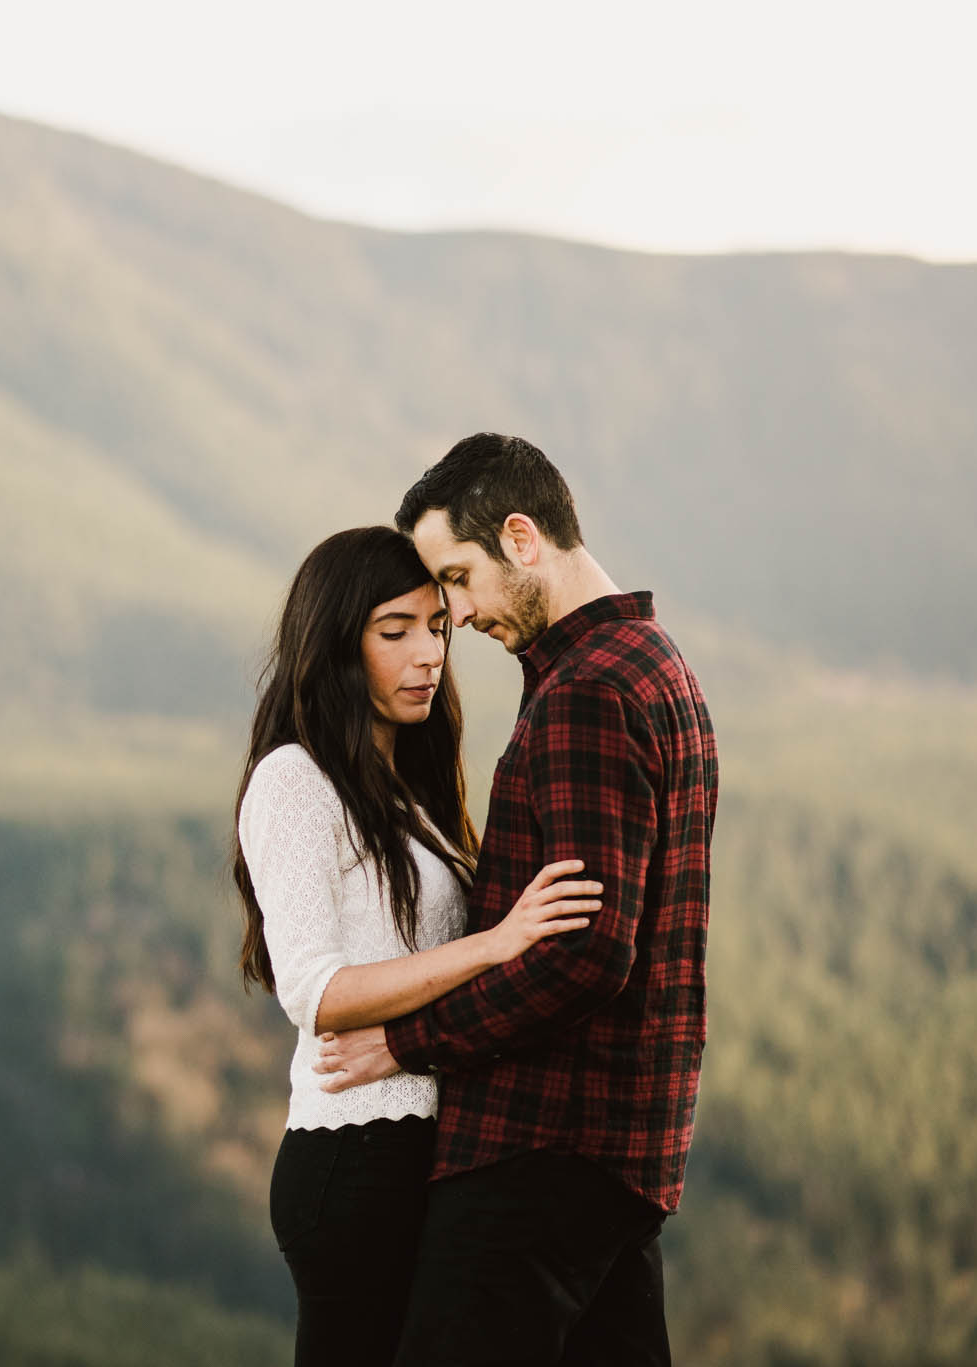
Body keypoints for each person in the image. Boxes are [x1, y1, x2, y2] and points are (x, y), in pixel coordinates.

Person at [313, 434, 719, 1366]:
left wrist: (404, 1041)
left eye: (459, 577)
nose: (456, 613)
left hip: (541, 1142)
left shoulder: (587, 691)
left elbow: (584, 951)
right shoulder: (654, 662)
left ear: (522, 538)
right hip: (618, 1147)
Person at [233, 524, 603, 1367]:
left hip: (418, 1154)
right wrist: (495, 946)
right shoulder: (294, 779)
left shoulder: (409, 791)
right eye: (393, 631)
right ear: (335, 644)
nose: (428, 652)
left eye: (437, 625)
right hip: (353, 1152)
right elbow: (316, 994)